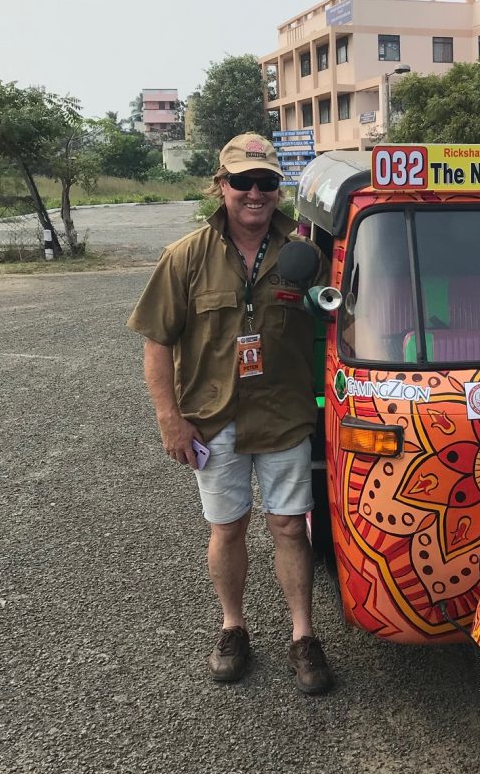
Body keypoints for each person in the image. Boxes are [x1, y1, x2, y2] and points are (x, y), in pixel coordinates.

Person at [127, 133, 337, 688]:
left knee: (291, 527)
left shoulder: (306, 257)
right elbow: (156, 341)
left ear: (277, 189)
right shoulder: (186, 257)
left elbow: (338, 323)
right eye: (242, 181)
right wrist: (170, 419)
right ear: (221, 186)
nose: (255, 193)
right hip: (213, 416)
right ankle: (233, 626)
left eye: (266, 182)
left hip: (284, 415)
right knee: (228, 528)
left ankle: (302, 635)